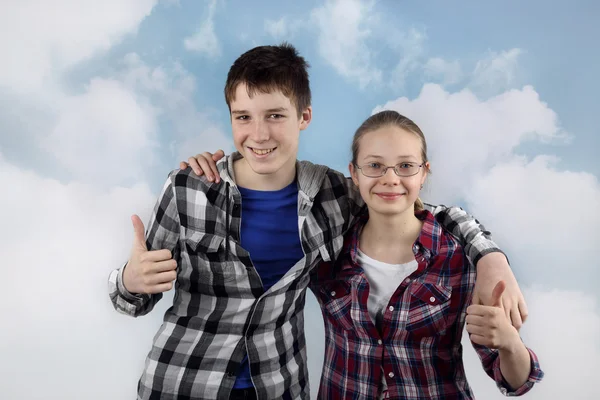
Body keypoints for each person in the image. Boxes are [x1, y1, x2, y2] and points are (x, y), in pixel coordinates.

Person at [109, 43, 527, 400]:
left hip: (278, 385)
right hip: (180, 382)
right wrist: (130, 280)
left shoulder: (333, 194)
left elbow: (416, 204)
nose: (258, 133)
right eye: (243, 117)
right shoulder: (189, 188)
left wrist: (490, 257)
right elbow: (130, 301)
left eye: (275, 115)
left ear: (304, 117)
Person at [308, 110, 543, 399]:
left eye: (405, 165)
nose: (390, 178)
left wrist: (509, 344)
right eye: (375, 165)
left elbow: (517, 382)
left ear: (424, 173)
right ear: (354, 174)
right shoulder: (328, 250)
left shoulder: (459, 258)